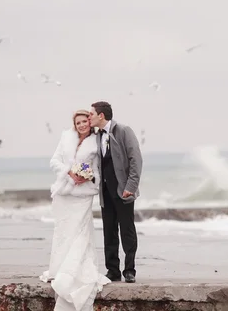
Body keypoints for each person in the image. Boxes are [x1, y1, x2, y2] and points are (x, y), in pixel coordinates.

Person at [39, 110, 111, 311]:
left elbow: (98, 170)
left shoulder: (96, 141)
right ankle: (59, 267)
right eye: (78, 122)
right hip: (63, 193)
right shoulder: (65, 139)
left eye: (84, 121)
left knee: (80, 231)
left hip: (83, 194)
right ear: (74, 124)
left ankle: (76, 270)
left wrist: (88, 176)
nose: (81, 125)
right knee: (63, 232)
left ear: (90, 122)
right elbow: (54, 161)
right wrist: (69, 171)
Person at [89, 101, 143, 283]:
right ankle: (112, 270)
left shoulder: (124, 130)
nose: (89, 118)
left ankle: (129, 270)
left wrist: (131, 187)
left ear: (101, 115)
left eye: (91, 114)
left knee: (127, 230)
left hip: (123, 190)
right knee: (109, 231)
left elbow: (136, 160)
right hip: (105, 192)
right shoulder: (96, 136)